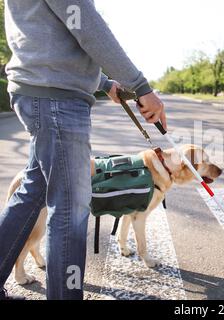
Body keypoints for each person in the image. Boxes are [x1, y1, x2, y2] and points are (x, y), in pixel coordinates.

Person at [0, 0, 166, 300]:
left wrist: (102, 81)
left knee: (31, 194)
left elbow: (51, 31)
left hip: (44, 93)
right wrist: (140, 85)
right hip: (57, 102)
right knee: (70, 209)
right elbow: (85, 23)